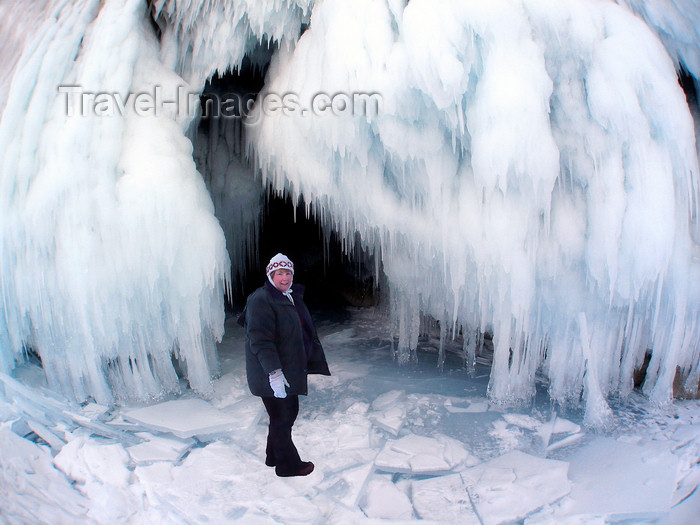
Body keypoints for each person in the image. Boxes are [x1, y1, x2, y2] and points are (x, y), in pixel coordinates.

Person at [241, 253, 330, 477]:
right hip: (270, 371)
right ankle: (288, 465)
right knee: (285, 416)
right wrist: (274, 373)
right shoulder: (261, 299)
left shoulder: (288, 297)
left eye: (288, 273)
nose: (284, 278)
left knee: (279, 416)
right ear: (270, 275)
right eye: (279, 273)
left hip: (286, 368)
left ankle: (273, 456)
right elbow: (260, 340)